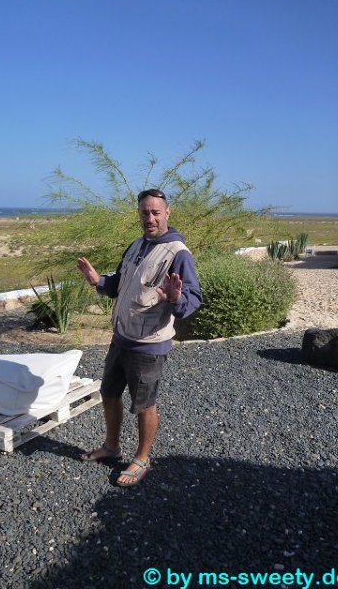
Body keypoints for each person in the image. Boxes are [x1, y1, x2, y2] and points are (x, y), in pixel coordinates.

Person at [77, 188, 202, 487]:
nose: (150, 218)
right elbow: (120, 283)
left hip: (148, 345)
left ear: (167, 213)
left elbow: (193, 298)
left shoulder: (178, 253)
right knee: (109, 393)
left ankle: (142, 458)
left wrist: (175, 299)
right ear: (139, 214)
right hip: (121, 337)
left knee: (144, 405)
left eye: (156, 212)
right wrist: (98, 281)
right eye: (145, 212)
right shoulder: (136, 245)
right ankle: (111, 447)